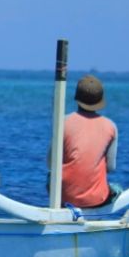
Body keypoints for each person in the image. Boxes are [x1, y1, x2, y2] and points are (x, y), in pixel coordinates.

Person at [52, 74, 118, 208]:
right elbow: (111, 167)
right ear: (100, 100)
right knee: (117, 189)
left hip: (63, 196)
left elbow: (51, 163)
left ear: (77, 98)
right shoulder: (111, 126)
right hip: (96, 199)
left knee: (50, 178)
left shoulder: (63, 122)